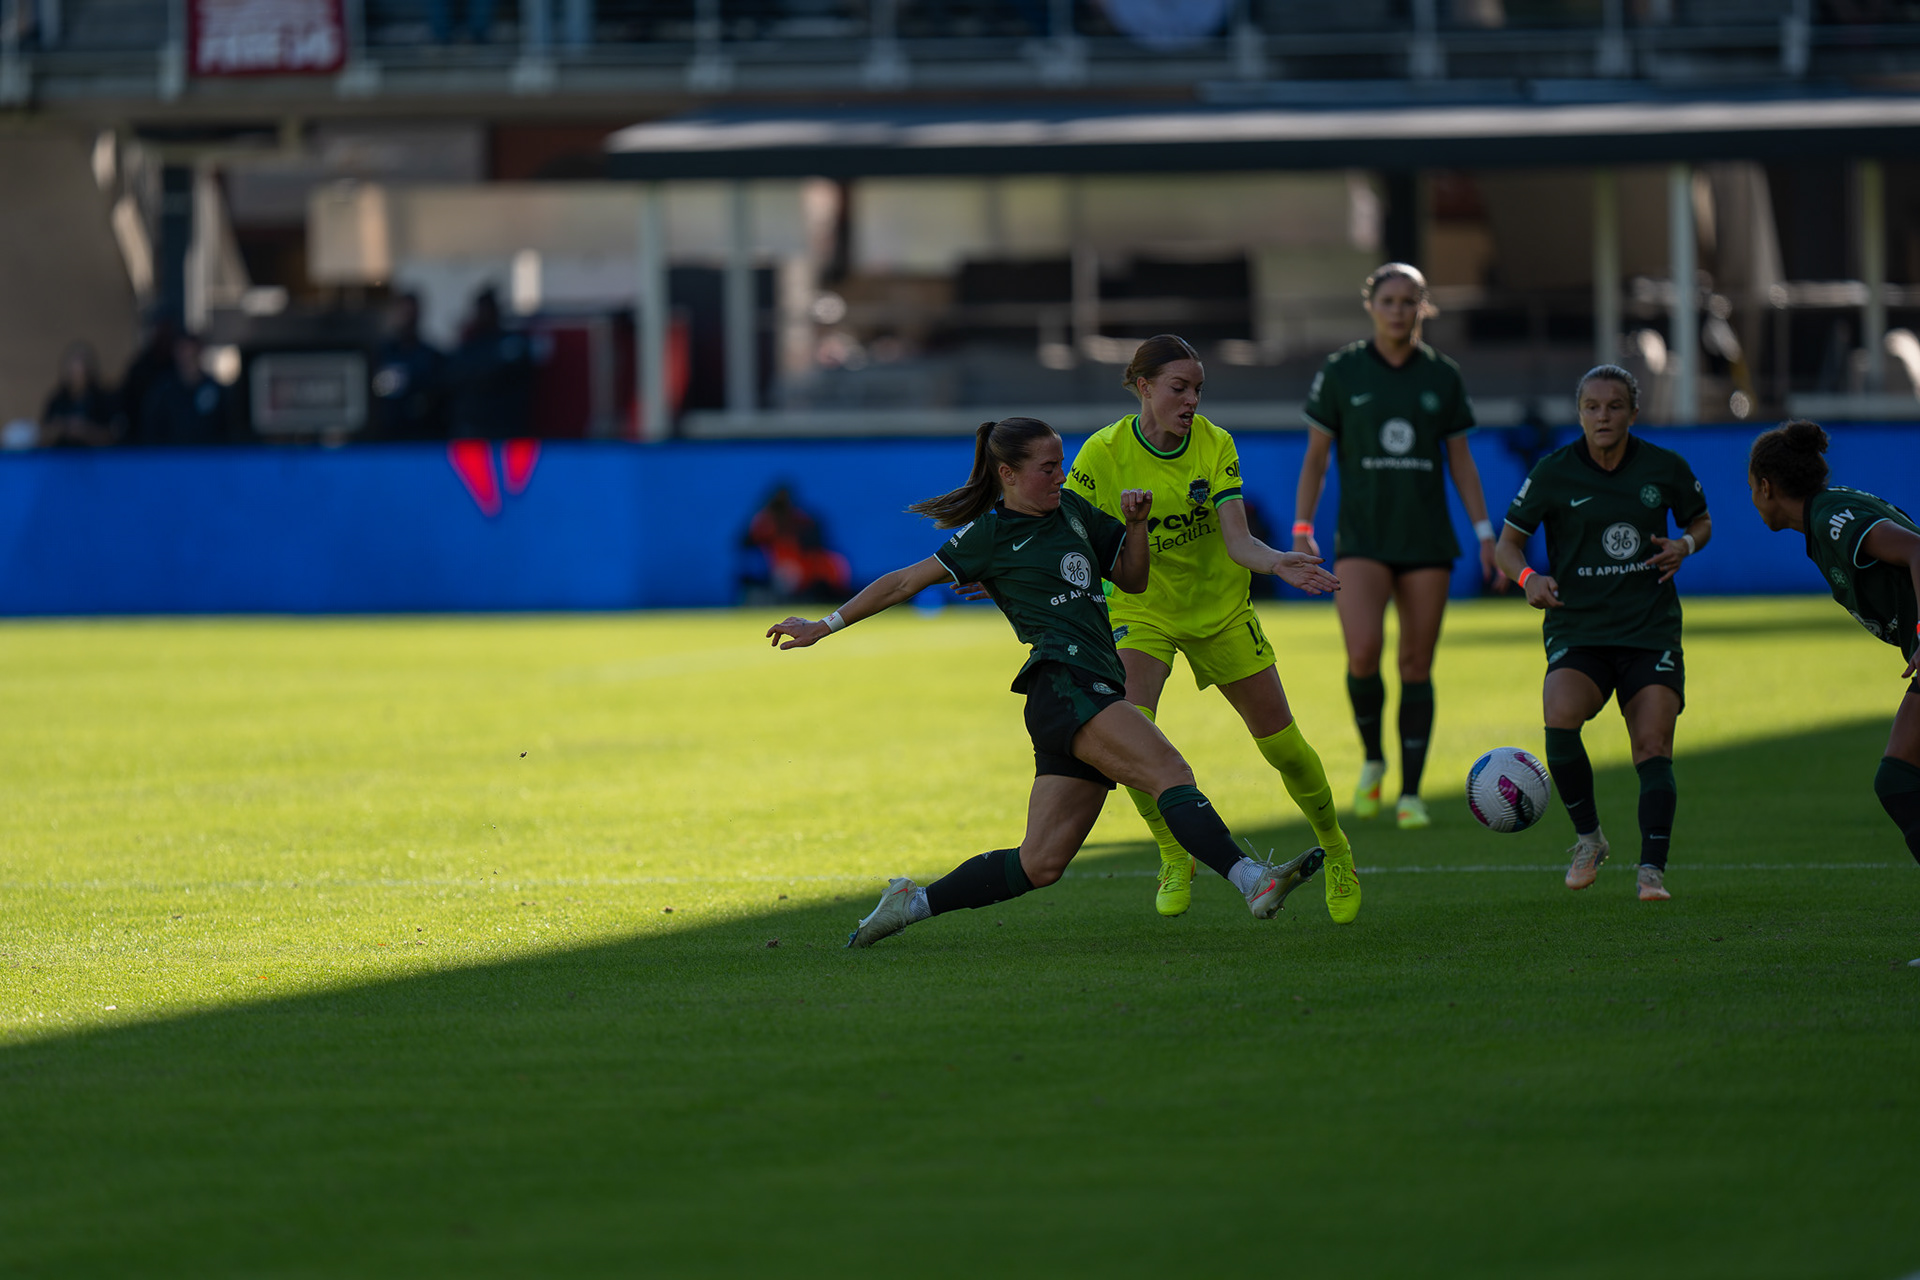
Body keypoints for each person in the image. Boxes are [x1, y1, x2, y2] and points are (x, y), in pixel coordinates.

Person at [766, 416, 1325, 948]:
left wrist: (1134, 528)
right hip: (1064, 682)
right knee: (1169, 771)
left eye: (1061, 464)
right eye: (1048, 467)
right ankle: (1253, 880)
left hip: (1085, 690)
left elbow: (1131, 578)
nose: (1061, 475)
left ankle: (910, 903)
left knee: (1041, 864)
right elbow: (904, 581)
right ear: (1008, 475)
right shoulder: (990, 534)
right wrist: (824, 624)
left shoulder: (1075, 513)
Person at [1063, 333, 1360, 923]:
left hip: (1220, 610)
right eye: (1179, 387)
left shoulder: (1215, 444)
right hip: (1140, 609)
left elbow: (1237, 539)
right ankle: (1175, 852)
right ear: (1144, 388)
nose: (1192, 399)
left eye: (1198, 388)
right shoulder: (1102, 452)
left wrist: (1277, 561)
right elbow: (1069, 531)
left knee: (1283, 746)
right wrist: (1006, 568)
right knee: (1129, 734)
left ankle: (1336, 846)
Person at [1293, 263, 1501, 830]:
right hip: (1361, 540)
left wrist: (1486, 535)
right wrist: (1302, 529)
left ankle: (1410, 791)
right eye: (1388, 300)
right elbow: (1316, 457)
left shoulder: (1443, 376)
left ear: (1422, 308)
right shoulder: (1341, 371)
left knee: (1415, 663)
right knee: (1362, 652)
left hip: (1427, 541)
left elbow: (1462, 462)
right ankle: (1373, 760)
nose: (1397, 310)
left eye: (1408, 301)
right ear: (1371, 306)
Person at [1495, 365, 1711, 902]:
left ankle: (1652, 870)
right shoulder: (1553, 472)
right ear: (1579, 414)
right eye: (1591, 407)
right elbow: (1506, 546)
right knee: (1560, 715)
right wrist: (1528, 578)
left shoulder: (1665, 467)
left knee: (1652, 744)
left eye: (1614, 406)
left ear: (1633, 413)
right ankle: (1589, 839)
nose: (1602, 416)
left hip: (1649, 629)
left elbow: (1701, 521)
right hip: (1580, 626)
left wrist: (1684, 545)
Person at [1748, 420, 1920, 866]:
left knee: (1899, 777)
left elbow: (1918, 549)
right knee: (1900, 777)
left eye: (1751, 488)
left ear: (1766, 487)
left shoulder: (1830, 519)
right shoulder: (1827, 514)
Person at [446, 287, 534, 439]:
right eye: (481, 310)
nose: (485, 314)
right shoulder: (469, 346)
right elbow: (454, 377)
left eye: (489, 309)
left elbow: (503, 372)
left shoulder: (513, 342)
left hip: (506, 429)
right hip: (473, 431)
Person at [746, 485, 852, 603]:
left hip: (806, 568)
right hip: (780, 569)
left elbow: (816, 542)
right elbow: (746, 543)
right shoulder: (766, 522)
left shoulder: (801, 520)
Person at [371, 294, 448, 441]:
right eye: (404, 315)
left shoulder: (432, 357)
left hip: (422, 437)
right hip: (386, 437)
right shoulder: (381, 355)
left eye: (411, 316)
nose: (407, 321)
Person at [136, 333, 232, 446]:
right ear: (175, 355)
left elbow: (227, 429)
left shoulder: (214, 390)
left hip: (209, 458)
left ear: (200, 354)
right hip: (171, 458)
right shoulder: (163, 391)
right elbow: (151, 429)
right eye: (183, 355)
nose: (187, 361)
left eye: (192, 355)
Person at [40, 342, 119, 447]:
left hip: (95, 459)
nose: (77, 373)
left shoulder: (103, 400)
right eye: (73, 368)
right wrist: (59, 429)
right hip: (61, 458)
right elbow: (43, 435)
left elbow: (113, 436)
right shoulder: (57, 400)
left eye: (82, 367)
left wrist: (85, 430)